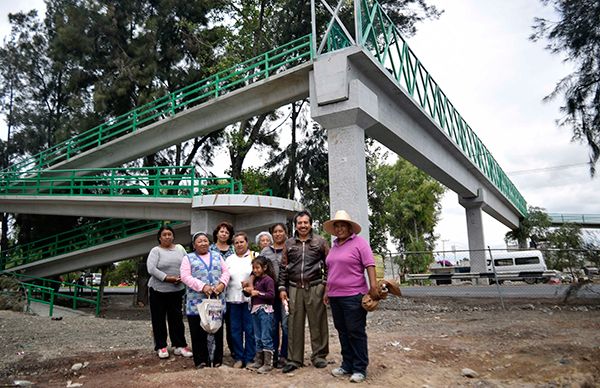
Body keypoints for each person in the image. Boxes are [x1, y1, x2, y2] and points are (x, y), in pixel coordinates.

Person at [323, 210, 378, 384]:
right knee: (342, 331)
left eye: (343, 226)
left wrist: (373, 287)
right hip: (335, 296)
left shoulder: (360, 243)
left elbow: (370, 265)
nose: (339, 229)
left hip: (354, 295)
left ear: (349, 228)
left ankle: (360, 368)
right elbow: (331, 271)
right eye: (337, 226)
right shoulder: (334, 246)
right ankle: (347, 364)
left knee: (356, 332)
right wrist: (327, 291)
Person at [279, 210, 330, 373]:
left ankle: (319, 356)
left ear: (310, 224)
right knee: (294, 323)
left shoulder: (320, 242)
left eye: (305, 223)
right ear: (295, 225)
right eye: (299, 223)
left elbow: (330, 264)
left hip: (315, 286)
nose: (303, 226)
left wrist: (326, 284)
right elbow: (283, 267)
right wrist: (281, 287)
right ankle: (294, 359)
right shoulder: (289, 244)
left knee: (318, 323)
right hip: (294, 287)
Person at [180, 232, 230, 368]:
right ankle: (201, 361)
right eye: (200, 241)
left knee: (216, 329)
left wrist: (221, 285)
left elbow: (226, 272)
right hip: (196, 303)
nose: (203, 243)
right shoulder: (188, 258)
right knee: (198, 332)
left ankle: (217, 360)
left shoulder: (217, 255)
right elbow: (185, 276)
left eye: (205, 241)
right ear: (194, 245)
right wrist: (202, 286)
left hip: (215, 300)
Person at [146, 225, 193, 359]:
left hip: (176, 290)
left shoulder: (180, 249)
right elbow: (151, 268)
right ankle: (161, 346)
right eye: (164, 235)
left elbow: (187, 264)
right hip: (158, 290)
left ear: (173, 236)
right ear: (159, 238)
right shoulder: (156, 251)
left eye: (169, 234)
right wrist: (167, 278)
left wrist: (181, 278)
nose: (167, 237)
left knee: (177, 319)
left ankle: (179, 345)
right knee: (158, 319)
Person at [225, 231, 256, 368]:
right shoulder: (229, 259)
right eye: (236, 242)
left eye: (241, 242)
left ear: (247, 242)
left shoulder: (254, 256)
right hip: (232, 299)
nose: (239, 244)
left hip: (250, 300)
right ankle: (238, 357)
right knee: (235, 330)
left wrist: (250, 281)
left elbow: (260, 273)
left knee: (250, 329)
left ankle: (250, 357)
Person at [260, 223, 289, 367]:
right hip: (269, 294)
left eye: (280, 231)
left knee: (286, 324)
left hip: (287, 293)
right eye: (275, 232)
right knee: (272, 325)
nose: (278, 234)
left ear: (285, 232)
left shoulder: (290, 247)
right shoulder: (265, 251)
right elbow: (257, 269)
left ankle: (285, 355)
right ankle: (274, 355)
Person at [245, 255, 276, 374]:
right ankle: (258, 361)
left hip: (265, 311)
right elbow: (250, 295)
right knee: (257, 337)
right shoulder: (256, 280)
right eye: (254, 268)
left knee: (265, 337)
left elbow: (271, 295)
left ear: (265, 267)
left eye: (258, 268)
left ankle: (268, 364)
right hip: (255, 310)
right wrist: (247, 291)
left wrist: (258, 293)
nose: (255, 270)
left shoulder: (268, 280)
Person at [209, 221, 235, 355]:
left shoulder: (234, 249)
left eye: (227, 232)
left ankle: (234, 351)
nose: (224, 234)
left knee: (231, 324)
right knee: (214, 323)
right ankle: (215, 353)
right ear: (217, 233)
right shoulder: (210, 249)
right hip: (214, 291)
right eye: (222, 231)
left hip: (231, 290)